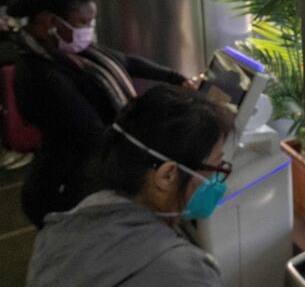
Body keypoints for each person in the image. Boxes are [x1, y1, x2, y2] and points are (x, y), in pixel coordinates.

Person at [8, 0, 200, 227]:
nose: (88, 31)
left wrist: (178, 79)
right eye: (82, 23)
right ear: (50, 23)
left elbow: (126, 62)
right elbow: (94, 133)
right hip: (65, 191)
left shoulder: (76, 53)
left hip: (86, 175)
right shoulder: (39, 74)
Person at [26, 85, 233, 287]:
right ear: (167, 175)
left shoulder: (62, 227)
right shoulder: (187, 273)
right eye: (215, 167)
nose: (216, 178)